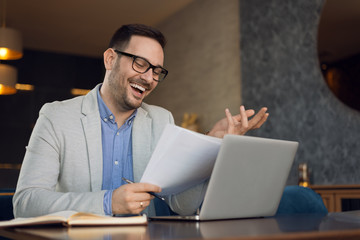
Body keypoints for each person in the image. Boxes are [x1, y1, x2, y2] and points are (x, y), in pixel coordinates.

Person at [13, 24, 269, 218]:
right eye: (140, 64)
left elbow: (183, 205)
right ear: (110, 59)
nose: (149, 78)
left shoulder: (161, 120)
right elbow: (25, 203)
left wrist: (211, 144)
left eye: (156, 70)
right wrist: (107, 202)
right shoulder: (56, 116)